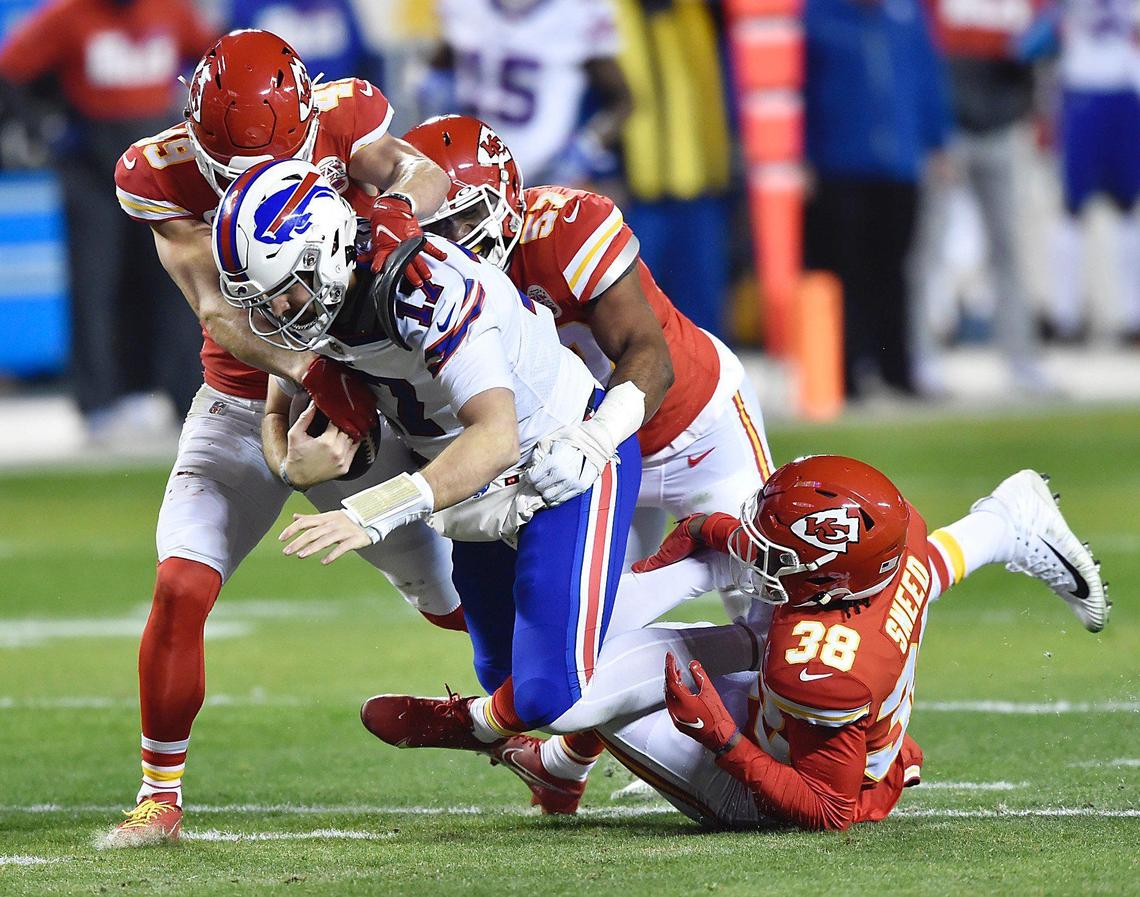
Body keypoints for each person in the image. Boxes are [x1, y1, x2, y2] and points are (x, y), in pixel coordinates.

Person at [106, 29, 453, 847]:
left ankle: (557, 726)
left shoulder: (346, 113)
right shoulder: (158, 173)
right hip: (242, 396)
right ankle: (160, 794)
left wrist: (396, 211)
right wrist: (310, 374)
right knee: (182, 585)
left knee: (458, 602)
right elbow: (220, 312)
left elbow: (423, 171)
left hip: (367, 391)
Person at [214, 157, 643, 817]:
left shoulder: (421, 289)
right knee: (505, 677)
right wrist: (293, 462)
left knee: (548, 695)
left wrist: (375, 511)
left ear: (327, 250)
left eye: (286, 289)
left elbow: (494, 434)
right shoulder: (324, 290)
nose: (276, 310)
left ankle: (479, 720)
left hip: (559, 460)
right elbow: (241, 339)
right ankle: (526, 735)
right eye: (264, 296)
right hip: (471, 494)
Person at [366, 456, 1109, 829]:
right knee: (605, 627)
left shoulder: (817, 666)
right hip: (835, 684)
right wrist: (669, 564)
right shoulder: (893, 535)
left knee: (576, 697)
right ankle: (548, 763)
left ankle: (521, 741)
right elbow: (717, 535)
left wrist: (723, 737)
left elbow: (830, 810)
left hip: (798, 762)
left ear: (832, 582)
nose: (760, 558)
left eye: (780, 557)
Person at [398, 114, 774, 805]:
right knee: (582, 646)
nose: (451, 244)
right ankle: (565, 760)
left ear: (507, 200)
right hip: (586, 465)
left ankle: (565, 756)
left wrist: (597, 437)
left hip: (692, 430)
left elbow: (647, 354)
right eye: (435, 229)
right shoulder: (417, 284)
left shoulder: (564, 227)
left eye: (464, 221)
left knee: (771, 620)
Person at [0, 0, 215, 433]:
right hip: (92, 171)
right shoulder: (66, 16)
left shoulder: (171, 11)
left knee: (176, 281)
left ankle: (182, 394)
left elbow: (215, 61)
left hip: (160, 172)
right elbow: (10, 71)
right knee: (95, 285)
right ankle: (99, 401)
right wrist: (41, 129)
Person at [803, 0, 952, 398]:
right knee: (845, 273)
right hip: (840, 165)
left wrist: (937, 143)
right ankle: (847, 375)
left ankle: (897, 370)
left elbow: (926, 77)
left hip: (900, 165)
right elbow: (803, 89)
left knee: (895, 273)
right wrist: (804, 157)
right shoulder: (818, 15)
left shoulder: (906, 14)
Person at [426, 0, 632, 188]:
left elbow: (622, 100)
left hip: (544, 172)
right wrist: (432, 85)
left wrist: (584, 148)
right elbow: (440, 64)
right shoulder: (463, 6)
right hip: (468, 171)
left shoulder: (580, 9)